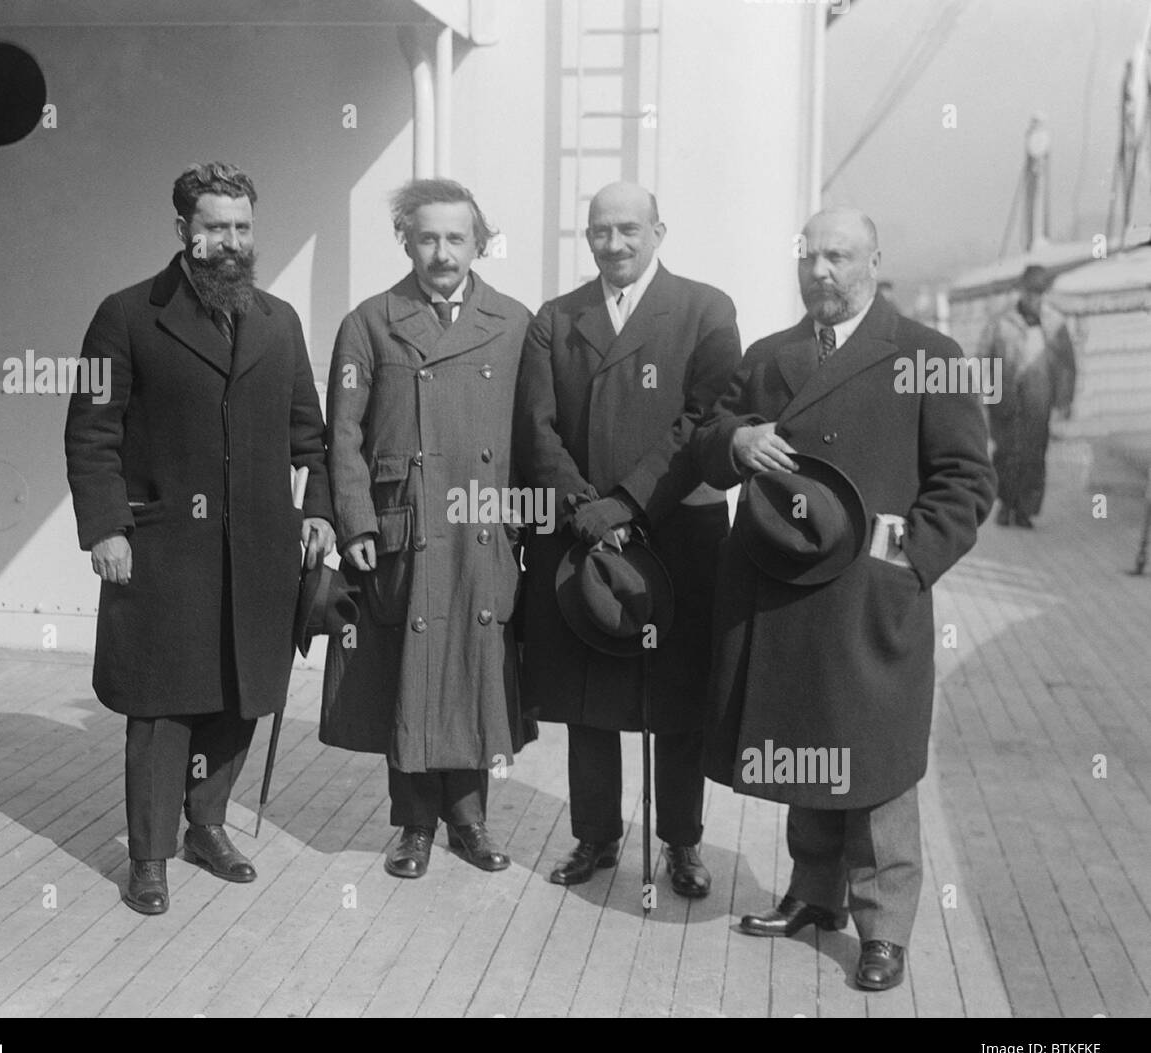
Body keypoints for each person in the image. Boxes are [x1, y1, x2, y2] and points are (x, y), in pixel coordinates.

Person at [692, 208, 994, 989]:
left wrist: (900, 560)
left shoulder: (932, 356)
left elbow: (966, 482)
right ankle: (813, 893)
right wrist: (735, 442)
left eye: (839, 256)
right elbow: (709, 432)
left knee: (879, 763)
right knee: (808, 743)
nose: (821, 270)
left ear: (874, 261)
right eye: (810, 256)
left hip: (871, 600)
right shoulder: (770, 357)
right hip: (784, 593)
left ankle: (884, 928)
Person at [65, 162, 334, 915]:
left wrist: (318, 509)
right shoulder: (125, 315)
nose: (231, 241)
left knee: (239, 694)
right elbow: (92, 432)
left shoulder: (279, 321)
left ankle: (206, 826)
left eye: (242, 227)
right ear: (182, 230)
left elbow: (307, 435)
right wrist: (106, 527)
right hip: (161, 553)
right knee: (162, 707)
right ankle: (148, 857)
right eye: (215, 226)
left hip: (259, 553)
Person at [514, 181, 742, 898]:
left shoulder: (706, 310)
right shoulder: (556, 318)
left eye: (629, 230)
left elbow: (704, 421)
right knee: (592, 697)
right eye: (600, 232)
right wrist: (586, 506)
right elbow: (536, 427)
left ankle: (681, 842)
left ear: (658, 231)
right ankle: (595, 834)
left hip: (674, 531)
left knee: (675, 699)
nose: (614, 244)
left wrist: (628, 501)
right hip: (584, 534)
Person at [321, 179, 532, 879]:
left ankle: (468, 820)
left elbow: (535, 435)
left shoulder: (513, 321)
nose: (442, 252)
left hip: (480, 528)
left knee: (474, 667)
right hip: (401, 528)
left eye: (456, 238)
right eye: (428, 237)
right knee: (407, 671)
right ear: (405, 240)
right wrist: (354, 519)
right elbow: (342, 433)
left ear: (479, 242)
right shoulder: (369, 322)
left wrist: (527, 523)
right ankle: (413, 823)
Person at [980, 264, 1076, 527]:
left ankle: (1025, 509)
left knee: (1034, 454)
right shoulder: (1001, 321)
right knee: (1005, 453)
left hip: (1038, 400)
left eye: (1040, 292)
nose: (1035, 297)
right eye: (1030, 291)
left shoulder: (1055, 323)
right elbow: (982, 359)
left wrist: (1063, 402)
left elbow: (1067, 366)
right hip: (1004, 399)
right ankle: (1005, 504)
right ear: (1021, 290)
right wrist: (982, 397)